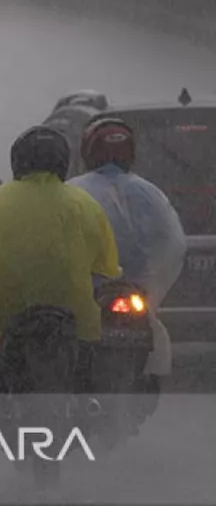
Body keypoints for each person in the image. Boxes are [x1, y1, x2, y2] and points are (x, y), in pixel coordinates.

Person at [0, 125, 121, 424]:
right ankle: (88, 398)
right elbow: (106, 265)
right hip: (73, 308)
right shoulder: (84, 204)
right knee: (91, 343)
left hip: (7, 308)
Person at [67, 118, 187, 386]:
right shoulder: (150, 192)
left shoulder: (73, 191)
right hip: (136, 291)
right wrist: (149, 282)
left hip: (89, 292)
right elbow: (173, 244)